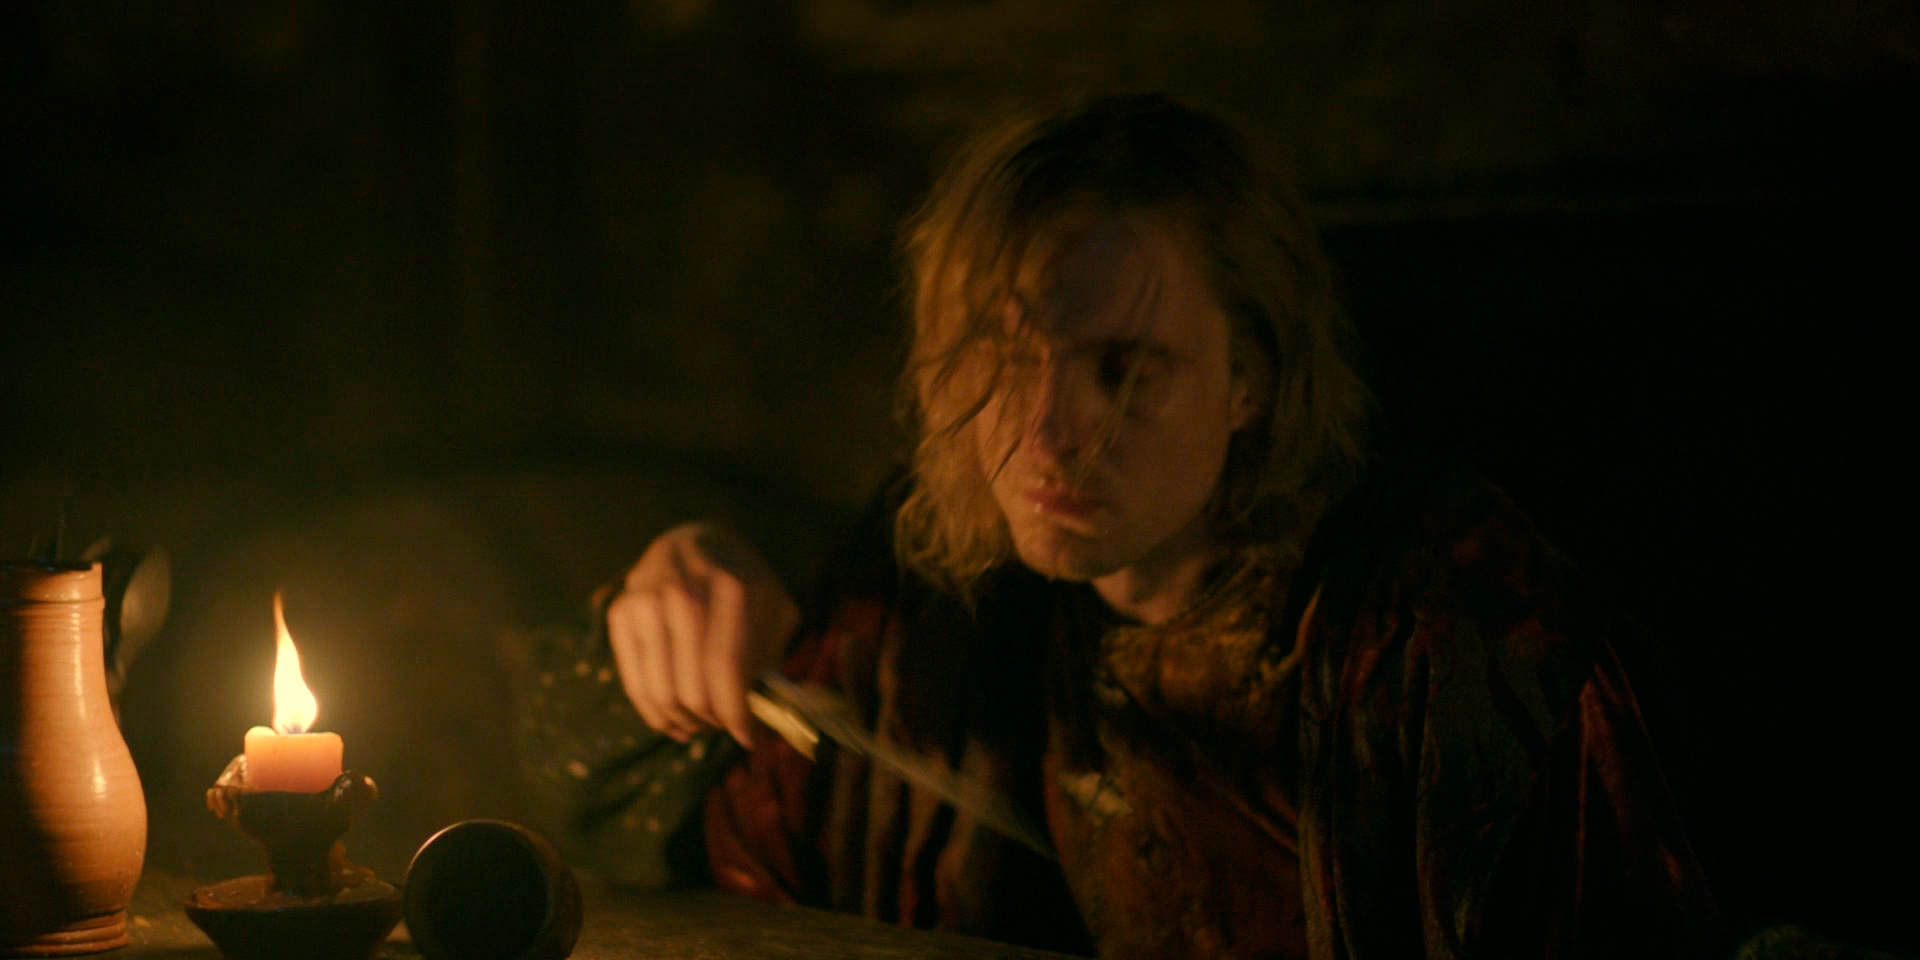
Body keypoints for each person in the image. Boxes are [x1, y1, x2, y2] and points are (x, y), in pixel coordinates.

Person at [533, 94, 1730, 958]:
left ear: (1249, 376)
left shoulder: (1449, 637)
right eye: (1006, 354)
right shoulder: (936, 607)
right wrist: (667, 596)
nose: (1049, 433)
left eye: (1127, 369)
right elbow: (640, 837)